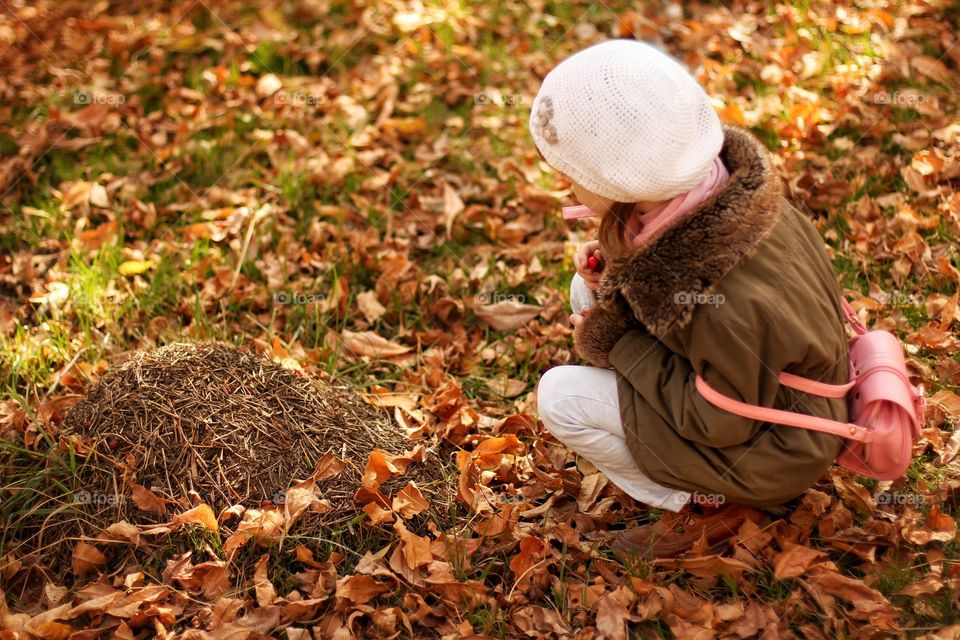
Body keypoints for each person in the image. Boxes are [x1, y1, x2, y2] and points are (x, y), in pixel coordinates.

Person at [530, 39, 849, 558]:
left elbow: (720, 421)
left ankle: (707, 502)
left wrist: (618, 348)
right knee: (582, 293)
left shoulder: (719, 296)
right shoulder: (711, 187)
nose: (563, 185)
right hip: (761, 392)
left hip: (777, 447)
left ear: (621, 173)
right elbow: (665, 285)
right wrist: (617, 264)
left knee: (559, 399)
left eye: (572, 173)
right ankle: (663, 442)